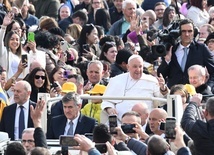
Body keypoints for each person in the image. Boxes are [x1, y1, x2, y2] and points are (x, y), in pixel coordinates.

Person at [101, 55, 168, 121]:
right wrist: (110, 109)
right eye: (135, 67)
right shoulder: (117, 80)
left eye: (140, 66)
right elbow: (107, 101)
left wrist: (163, 88)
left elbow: (161, 101)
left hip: (145, 123)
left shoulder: (151, 80)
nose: (138, 70)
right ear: (128, 67)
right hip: (120, 122)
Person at [157, 18, 214, 93]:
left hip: (196, 95)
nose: (187, 34)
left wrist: (208, 87)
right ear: (179, 32)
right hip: (175, 94)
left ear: (194, 32)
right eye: (184, 31)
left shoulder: (201, 49)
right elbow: (160, 75)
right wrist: (167, 60)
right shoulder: (171, 49)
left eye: (190, 31)